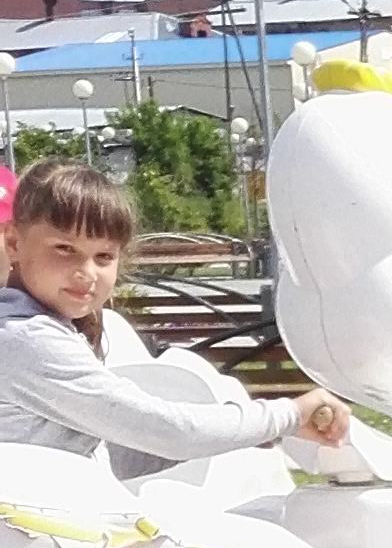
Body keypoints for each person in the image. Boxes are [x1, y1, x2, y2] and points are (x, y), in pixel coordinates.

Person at [0, 162, 347, 470]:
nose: (87, 272)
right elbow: (167, 431)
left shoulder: (32, 328)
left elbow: (123, 446)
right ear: (14, 242)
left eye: (104, 256)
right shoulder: (26, 337)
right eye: (65, 249)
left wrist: (242, 434)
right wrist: (289, 415)